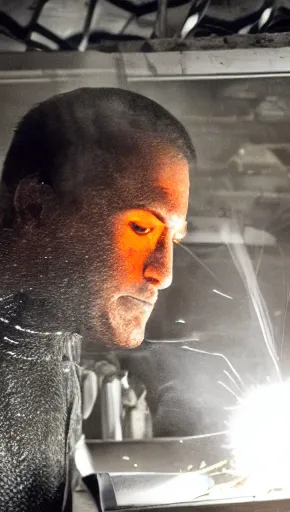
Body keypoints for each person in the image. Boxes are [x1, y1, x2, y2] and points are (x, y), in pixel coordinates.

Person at [0, 87, 194, 511]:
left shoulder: (52, 328)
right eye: (141, 229)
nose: (163, 273)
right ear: (35, 207)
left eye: (173, 239)